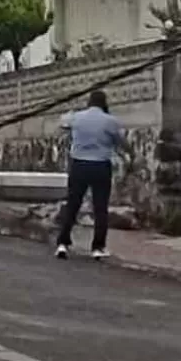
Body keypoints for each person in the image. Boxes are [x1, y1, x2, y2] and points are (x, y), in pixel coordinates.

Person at [55, 91, 129, 260]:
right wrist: (130, 155)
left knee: (73, 204)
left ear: (89, 102)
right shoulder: (110, 121)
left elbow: (62, 125)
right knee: (100, 207)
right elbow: (122, 142)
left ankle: (62, 244)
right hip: (100, 166)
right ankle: (98, 247)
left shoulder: (76, 117)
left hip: (78, 165)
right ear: (104, 103)